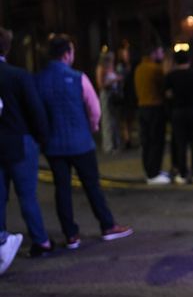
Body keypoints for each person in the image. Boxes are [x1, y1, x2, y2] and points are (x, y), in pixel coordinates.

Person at [36, 34, 133, 249]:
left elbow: (36, 113)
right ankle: (107, 226)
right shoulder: (78, 77)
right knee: (92, 186)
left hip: (53, 145)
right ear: (66, 54)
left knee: (62, 188)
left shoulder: (38, 80)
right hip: (80, 142)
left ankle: (71, 235)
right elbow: (94, 108)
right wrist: (91, 127)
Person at [0, 27, 52, 265]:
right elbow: (35, 110)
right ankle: (40, 241)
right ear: (7, 48)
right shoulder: (18, 75)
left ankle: (1, 241)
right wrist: (42, 137)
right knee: (27, 195)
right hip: (20, 141)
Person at [165, 50, 193, 184]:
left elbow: (166, 93)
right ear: (189, 61)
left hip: (178, 111)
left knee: (180, 143)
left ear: (176, 62)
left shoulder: (171, 76)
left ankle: (182, 174)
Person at [135, 43, 170, 184]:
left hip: (142, 107)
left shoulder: (139, 68)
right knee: (156, 141)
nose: (162, 55)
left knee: (146, 141)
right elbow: (164, 86)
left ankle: (150, 170)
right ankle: (154, 173)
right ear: (154, 54)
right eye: (160, 52)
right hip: (155, 107)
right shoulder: (155, 69)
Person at [96, 51, 123, 153]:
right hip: (106, 95)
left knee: (114, 120)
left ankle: (116, 143)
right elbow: (100, 85)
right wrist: (114, 80)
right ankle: (108, 146)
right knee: (107, 120)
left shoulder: (111, 67)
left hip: (113, 95)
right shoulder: (101, 68)